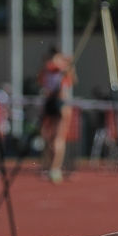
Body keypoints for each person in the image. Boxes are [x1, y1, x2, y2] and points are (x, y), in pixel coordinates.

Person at [37, 47, 76, 184]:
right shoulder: (50, 69)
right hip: (50, 104)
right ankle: (51, 167)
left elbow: (71, 79)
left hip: (60, 104)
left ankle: (55, 168)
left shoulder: (64, 70)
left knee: (58, 139)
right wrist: (66, 64)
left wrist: (67, 67)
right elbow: (43, 78)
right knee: (48, 138)